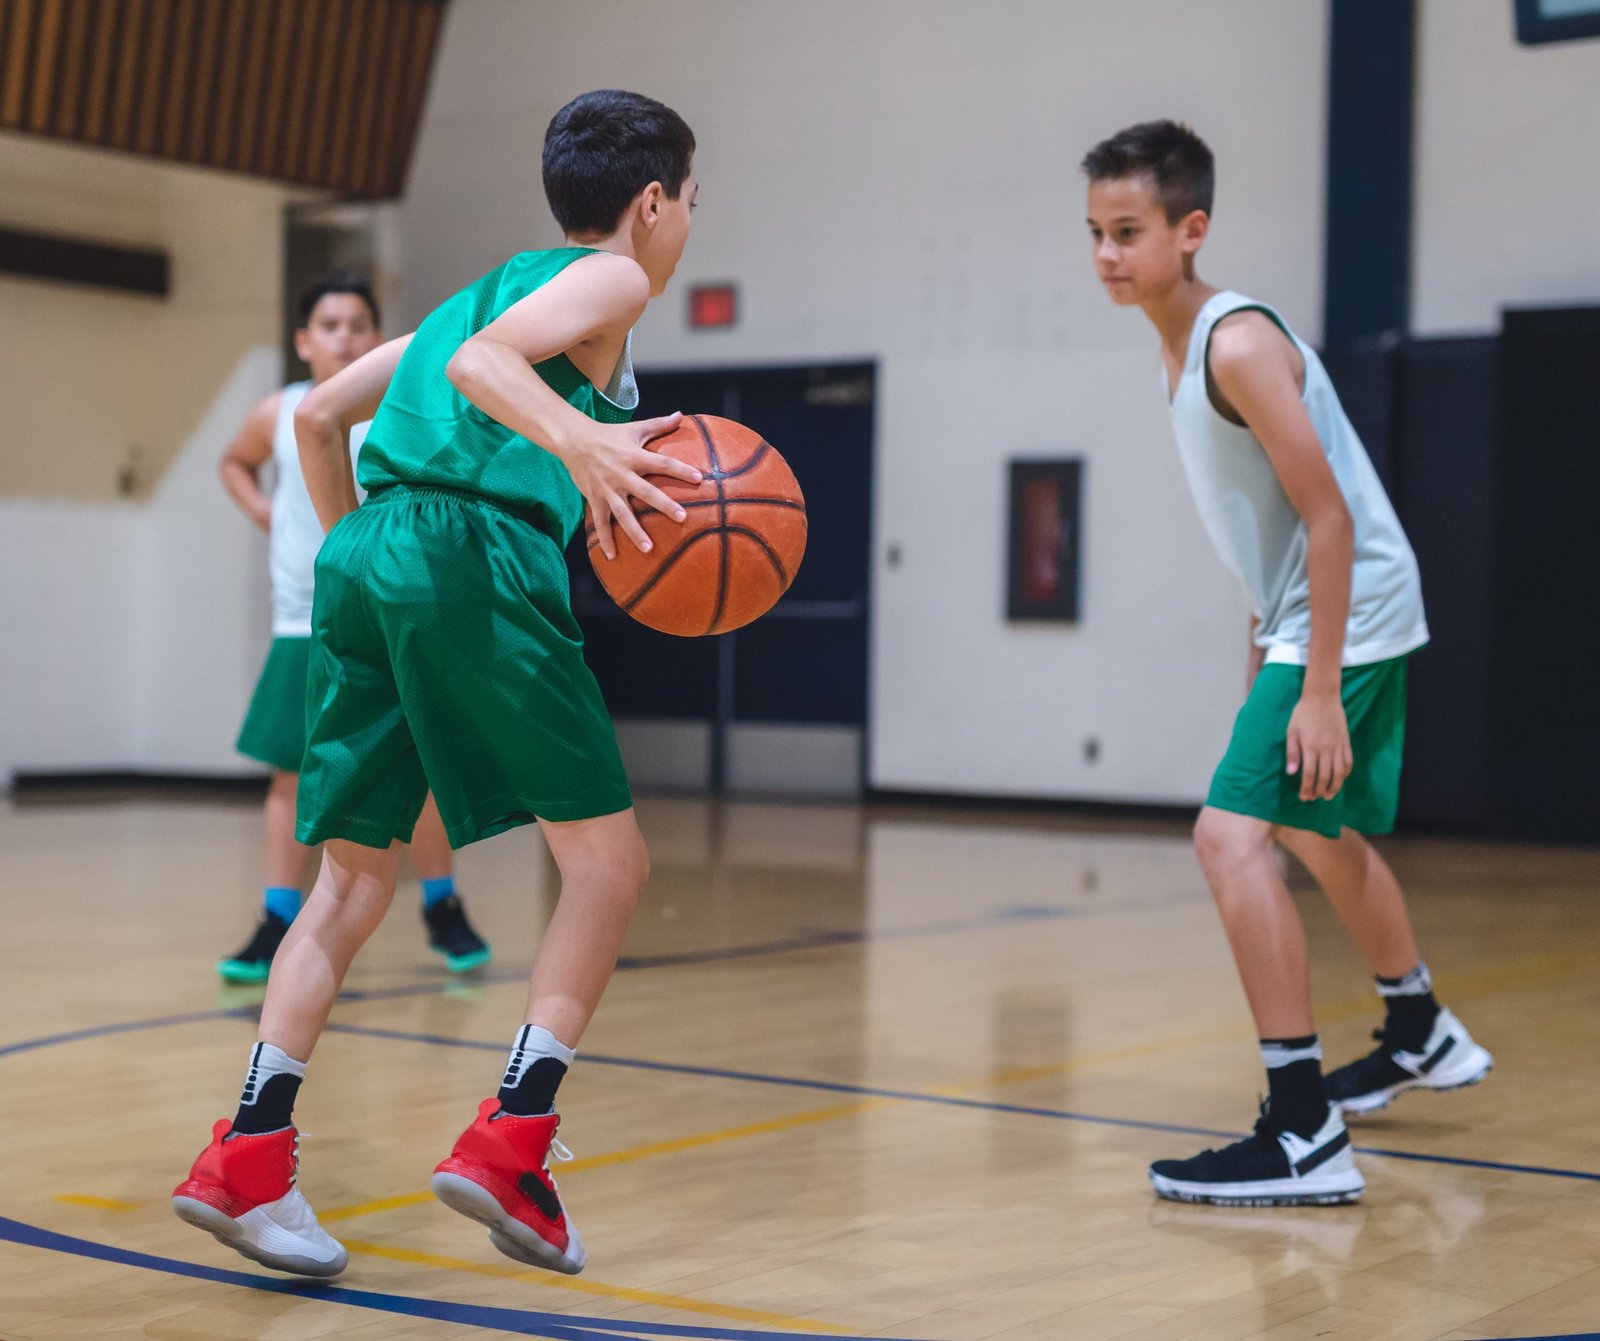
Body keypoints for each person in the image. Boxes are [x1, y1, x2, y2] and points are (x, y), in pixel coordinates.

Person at [173, 89, 701, 1278]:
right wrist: (577, 441)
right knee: (609, 866)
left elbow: (319, 416)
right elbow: (481, 365)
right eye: (688, 205)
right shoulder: (613, 284)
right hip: (471, 555)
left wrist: (364, 552)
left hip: (365, 563)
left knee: (350, 884)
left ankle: (247, 1160)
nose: (683, 231)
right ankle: (512, 1143)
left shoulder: (479, 286)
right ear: (651, 201)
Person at [1082, 120, 1492, 1207]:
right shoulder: (1171, 342)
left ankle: (1301, 1126)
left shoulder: (1234, 342)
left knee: (1227, 839)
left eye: (1128, 232)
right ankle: (1417, 1027)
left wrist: (1311, 684)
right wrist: (1267, 645)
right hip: (1312, 613)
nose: (1107, 256)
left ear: (1191, 229)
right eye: (1094, 234)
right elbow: (1264, 524)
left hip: (1346, 610)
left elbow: (1326, 517)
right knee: (1317, 827)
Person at [217, 274, 492, 981]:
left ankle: (441, 902)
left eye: (360, 323)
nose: (346, 335)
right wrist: (264, 512)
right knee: (290, 771)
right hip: (301, 615)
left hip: (388, 610)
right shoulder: (277, 412)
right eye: (330, 324)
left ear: (378, 336)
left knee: (422, 767)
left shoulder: (404, 403)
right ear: (304, 340)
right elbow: (234, 462)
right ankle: (278, 913)